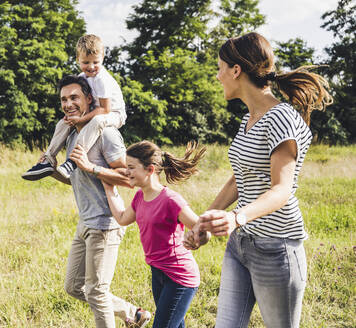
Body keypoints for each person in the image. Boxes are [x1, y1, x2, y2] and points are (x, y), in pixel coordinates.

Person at [184, 32, 333, 328]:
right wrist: (205, 221)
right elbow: (241, 177)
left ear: (236, 70)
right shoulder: (249, 118)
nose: (217, 76)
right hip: (241, 245)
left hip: (276, 249)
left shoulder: (281, 118)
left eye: (219, 68)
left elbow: (282, 189)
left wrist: (236, 217)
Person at [49, 75, 150, 328]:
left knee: (96, 291)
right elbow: (77, 179)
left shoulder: (106, 133)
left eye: (74, 98)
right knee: (74, 286)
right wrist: (51, 169)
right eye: (64, 99)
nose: (68, 104)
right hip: (85, 223)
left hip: (106, 224)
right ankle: (132, 312)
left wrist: (92, 167)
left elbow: (129, 180)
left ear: (89, 99)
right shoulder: (73, 136)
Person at [101, 140, 210, 328]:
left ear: (150, 170)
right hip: (158, 273)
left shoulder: (171, 200)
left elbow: (202, 228)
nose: (127, 172)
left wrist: (198, 238)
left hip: (180, 277)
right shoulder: (139, 197)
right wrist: (109, 188)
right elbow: (121, 217)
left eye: (131, 167)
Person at [22, 34, 126, 181]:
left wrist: (81, 119)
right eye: (85, 62)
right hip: (96, 112)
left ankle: (73, 161)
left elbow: (105, 109)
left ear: (103, 57)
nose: (91, 67)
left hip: (114, 114)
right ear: (77, 59)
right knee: (64, 122)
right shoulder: (82, 77)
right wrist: (73, 117)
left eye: (96, 62)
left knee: (98, 121)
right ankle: (48, 160)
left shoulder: (102, 79)